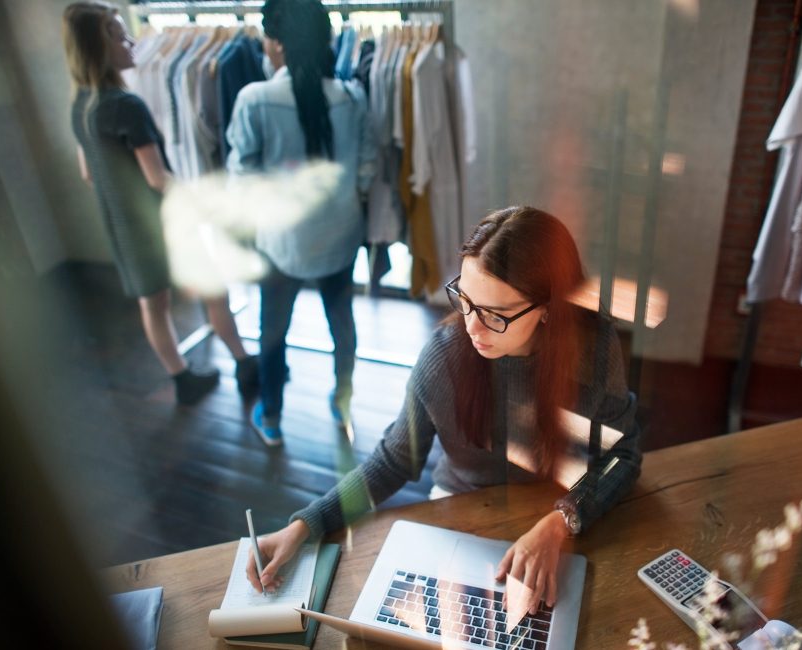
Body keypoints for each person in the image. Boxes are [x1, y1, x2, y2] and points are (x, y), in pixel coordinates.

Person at [247, 206, 642, 615]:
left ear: (548, 308)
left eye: (496, 314)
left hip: (553, 508)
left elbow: (624, 456)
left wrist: (562, 522)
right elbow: (393, 461)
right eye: (465, 300)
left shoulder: (592, 350)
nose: (472, 325)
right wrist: (306, 524)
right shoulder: (444, 357)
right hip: (460, 504)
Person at [62, 2, 258, 405]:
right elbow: (157, 178)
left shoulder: (80, 107)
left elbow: (88, 174)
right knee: (214, 292)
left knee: (154, 305)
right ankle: (244, 363)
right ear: (98, 48)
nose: (131, 41)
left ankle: (182, 379)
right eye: (118, 35)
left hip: (123, 226)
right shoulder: (125, 106)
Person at [226, 0, 376, 446]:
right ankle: (342, 400)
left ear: (275, 43)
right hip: (340, 235)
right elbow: (367, 168)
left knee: (273, 328)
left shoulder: (254, 99)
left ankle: (270, 415)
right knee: (341, 321)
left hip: (282, 243)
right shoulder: (352, 96)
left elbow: (243, 179)